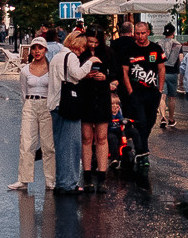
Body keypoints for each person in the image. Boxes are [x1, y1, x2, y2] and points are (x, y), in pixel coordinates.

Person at [12, 39, 56, 190]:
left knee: (48, 145)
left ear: (45, 50)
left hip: (46, 105)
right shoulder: (25, 70)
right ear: (31, 51)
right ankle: (23, 180)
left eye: (40, 48)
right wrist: (28, 105)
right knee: (26, 143)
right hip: (30, 104)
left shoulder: (52, 69)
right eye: (34, 48)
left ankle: (50, 180)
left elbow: (55, 90)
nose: (37, 51)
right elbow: (23, 91)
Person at [118, 19, 163, 169]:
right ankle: (143, 151)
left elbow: (161, 69)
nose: (140, 36)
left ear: (148, 33)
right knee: (141, 122)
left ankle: (141, 147)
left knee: (150, 122)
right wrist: (130, 91)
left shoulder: (156, 48)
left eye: (143, 33)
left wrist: (160, 89)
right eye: (137, 33)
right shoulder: (128, 50)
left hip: (152, 92)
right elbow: (124, 72)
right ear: (134, 34)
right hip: (136, 93)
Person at [46, 25, 84, 192]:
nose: (83, 50)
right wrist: (90, 63)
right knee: (71, 145)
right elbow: (77, 74)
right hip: (68, 105)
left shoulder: (56, 57)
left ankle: (61, 181)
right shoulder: (72, 57)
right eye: (82, 46)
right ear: (75, 44)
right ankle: (69, 184)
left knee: (61, 145)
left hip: (55, 104)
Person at [73, 32, 114, 188]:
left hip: (102, 97)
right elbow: (73, 74)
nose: (93, 45)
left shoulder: (108, 53)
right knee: (86, 137)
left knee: (102, 137)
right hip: (86, 97)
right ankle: (88, 174)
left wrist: (106, 78)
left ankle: (102, 175)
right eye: (90, 41)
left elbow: (115, 73)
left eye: (96, 42)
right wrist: (85, 76)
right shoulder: (80, 53)